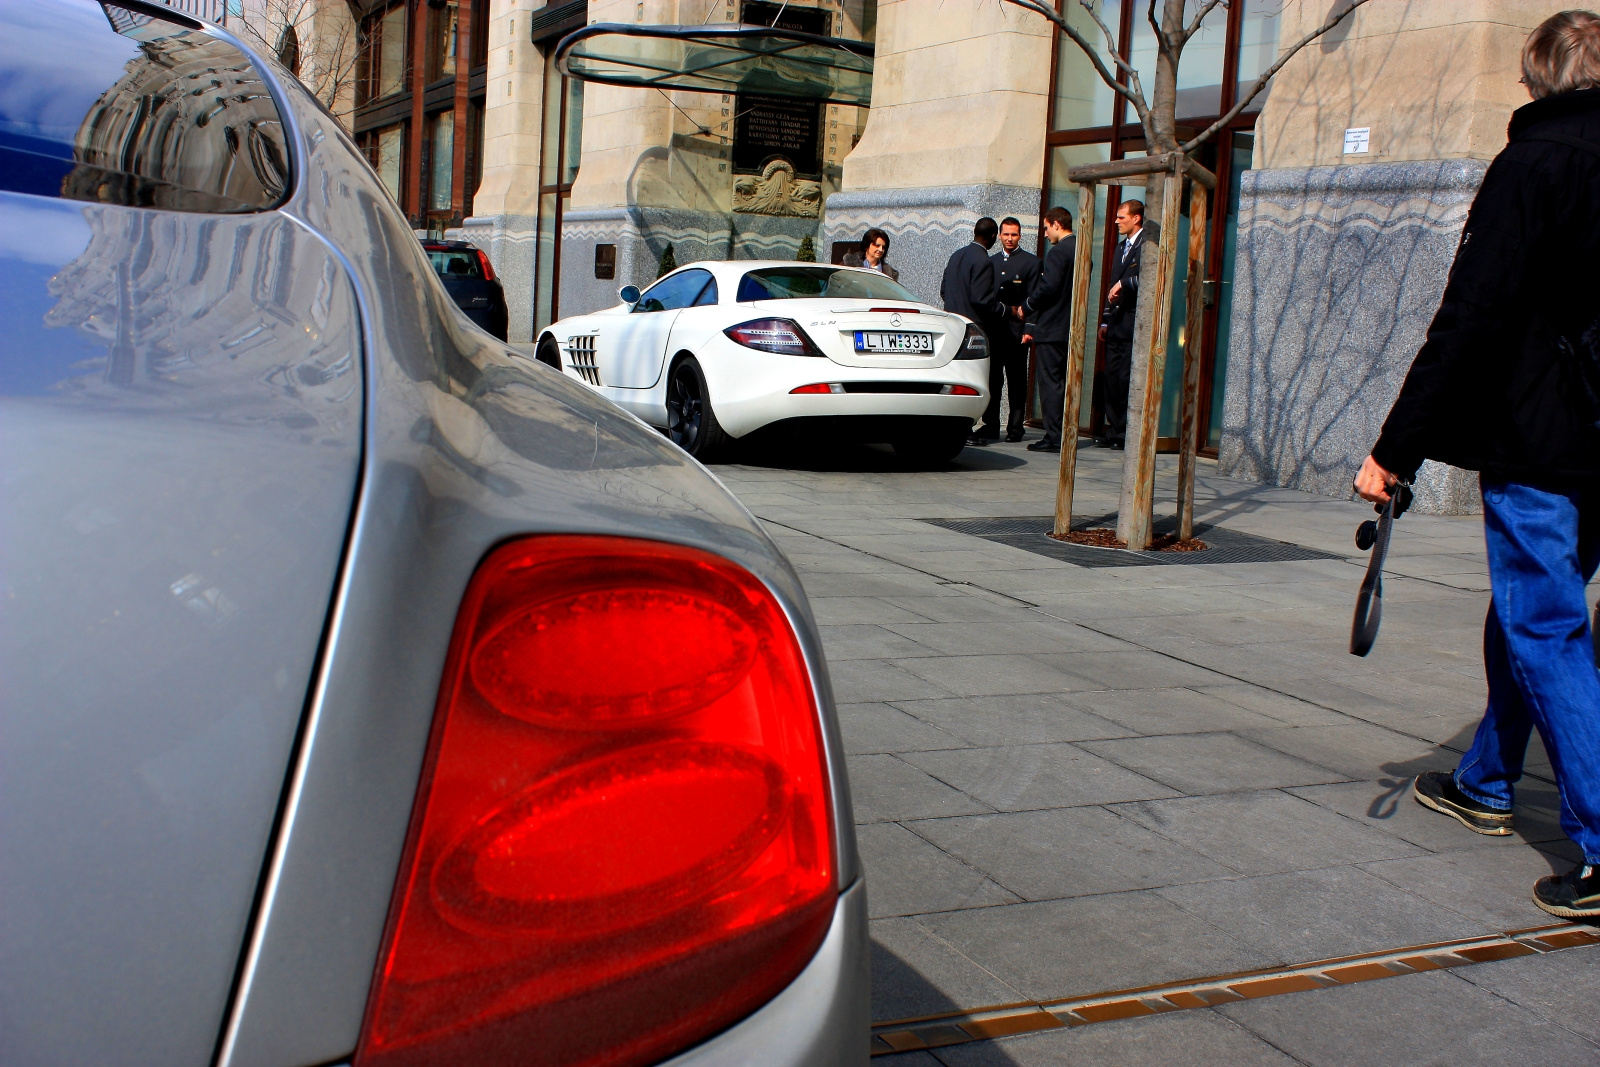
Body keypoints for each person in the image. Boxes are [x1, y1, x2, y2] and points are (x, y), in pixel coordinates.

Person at [1354, 9, 1600, 918]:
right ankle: (1488, 776)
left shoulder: (1532, 165)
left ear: (1538, 77)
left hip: (1543, 434)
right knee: (1535, 609)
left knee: (1546, 626)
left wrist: (1393, 447)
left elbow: (1473, 317)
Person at [939, 218, 1008, 445]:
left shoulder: (957, 255)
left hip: (952, 325)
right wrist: (1005, 309)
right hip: (975, 330)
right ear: (992, 237)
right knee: (982, 379)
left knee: (956, 379)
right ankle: (980, 427)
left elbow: (943, 290)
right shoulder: (983, 261)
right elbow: (982, 300)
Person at [977, 217, 1041, 443]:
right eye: (1006, 234)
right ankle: (991, 425)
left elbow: (1034, 297)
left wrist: (1029, 328)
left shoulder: (1031, 262)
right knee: (993, 380)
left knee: (1016, 382)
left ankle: (1015, 428)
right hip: (994, 332)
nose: (1010, 239)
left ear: (1020, 236)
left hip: (1017, 333)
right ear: (999, 236)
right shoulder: (990, 261)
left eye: (1014, 235)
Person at [1019, 207, 1075, 453]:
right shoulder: (1080, 250)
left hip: (1052, 327)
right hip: (1070, 326)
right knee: (1062, 382)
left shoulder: (1058, 252)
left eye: (1046, 227)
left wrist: (1028, 306)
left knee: (1051, 383)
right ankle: (1063, 432)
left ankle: (1054, 436)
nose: (1044, 234)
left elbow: (1049, 287)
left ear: (1056, 224)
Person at [1095, 199, 1148, 450]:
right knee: (1112, 378)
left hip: (1133, 323)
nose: (1116, 221)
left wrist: (1126, 285)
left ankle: (1125, 432)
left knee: (1126, 378)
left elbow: (1151, 276)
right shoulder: (1120, 247)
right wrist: (1105, 320)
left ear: (1136, 218)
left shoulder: (1146, 244)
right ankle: (1113, 429)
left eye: (1121, 217)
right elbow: (1112, 282)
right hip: (1116, 323)